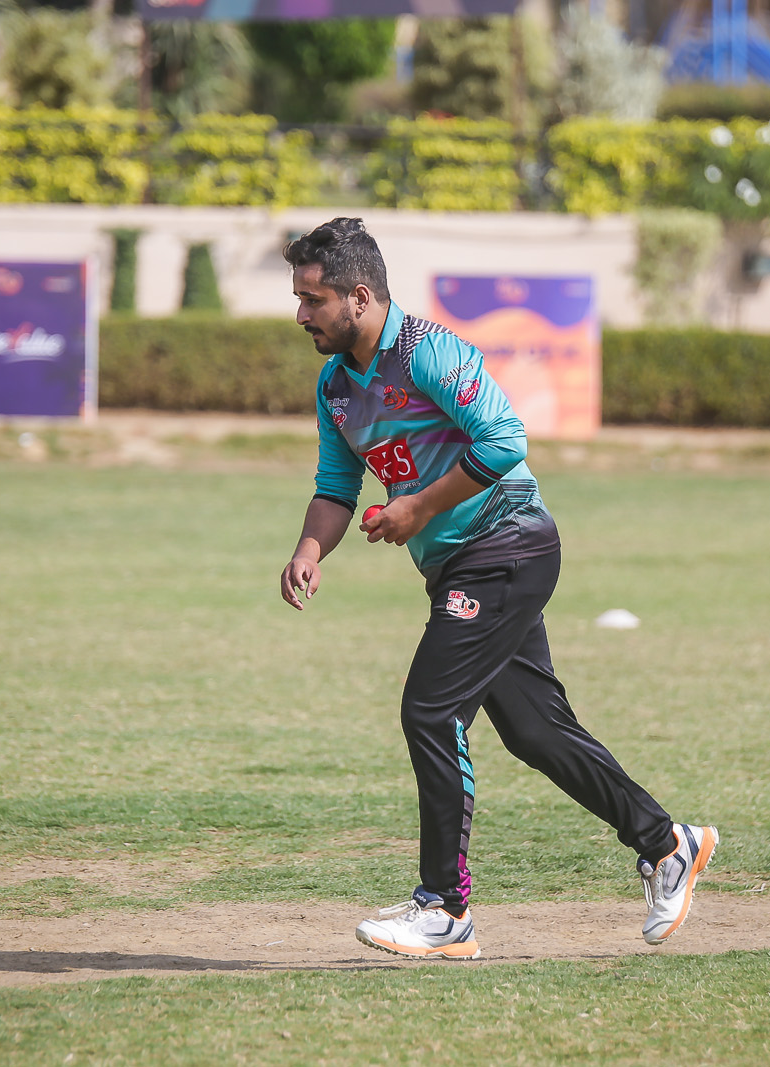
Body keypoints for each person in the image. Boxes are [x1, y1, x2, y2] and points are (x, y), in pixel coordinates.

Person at [277, 217, 716, 959]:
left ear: (359, 297)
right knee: (535, 730)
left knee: (431, 709)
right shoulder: (336, 387)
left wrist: (418, 507)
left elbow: (506, 438)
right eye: (298, 298)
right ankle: (667, 843)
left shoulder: (429, 352)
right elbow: (336, 485)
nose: (300, 314)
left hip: (508, 544)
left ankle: (444, 910)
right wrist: (309, 550)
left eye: (312, 299)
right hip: (459, 565)